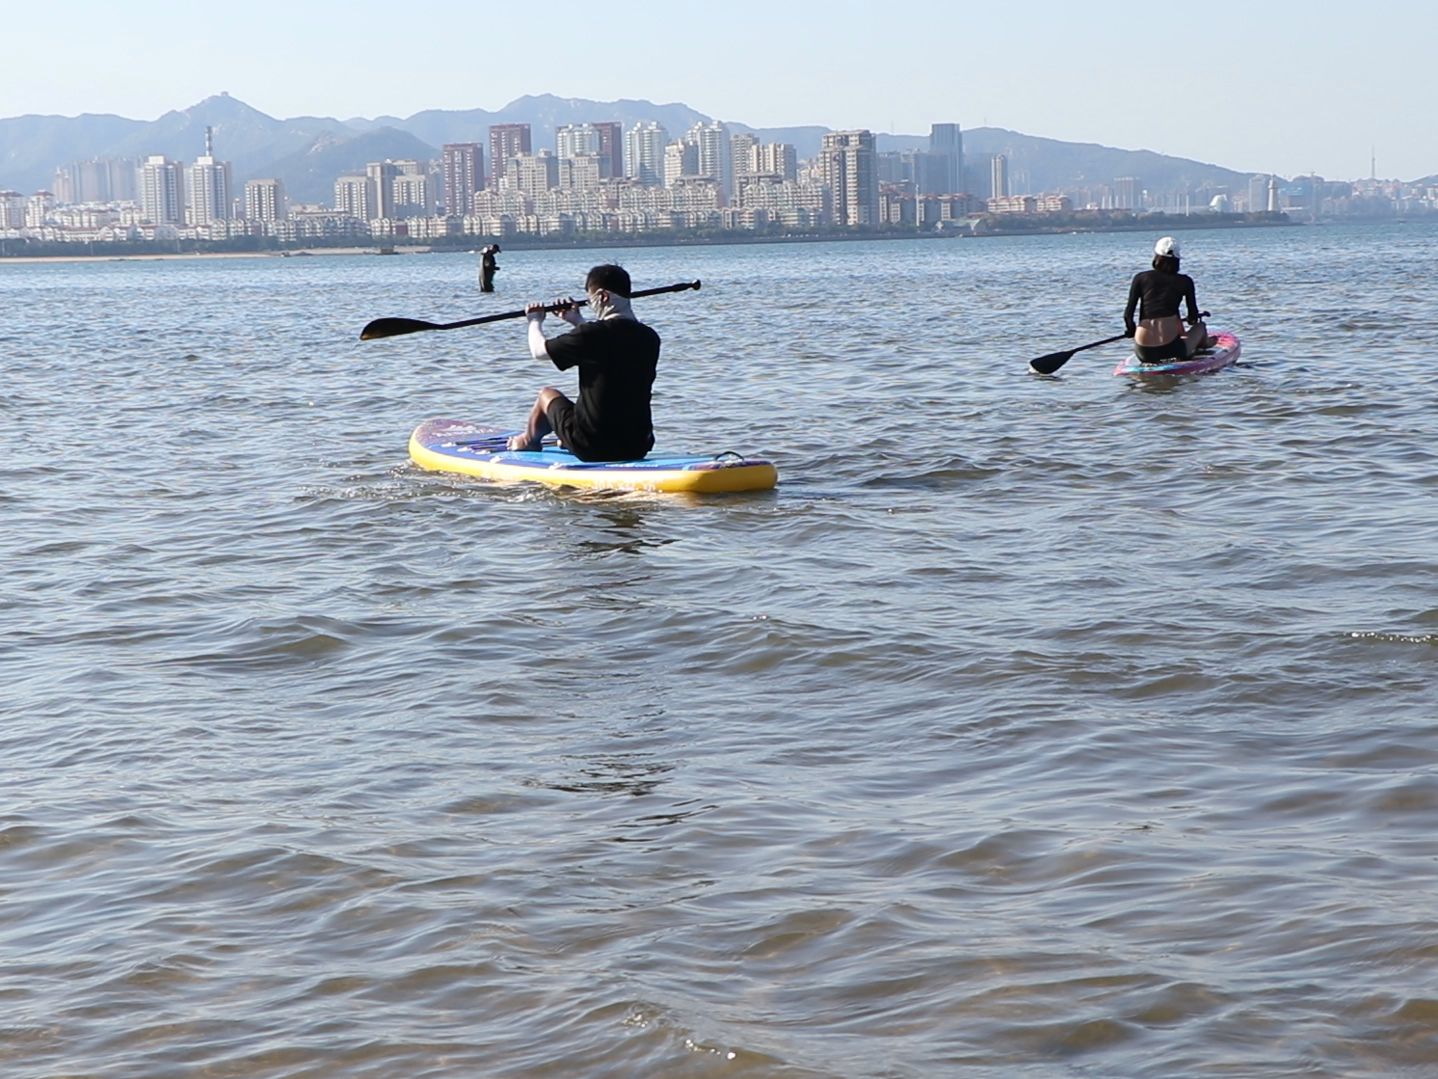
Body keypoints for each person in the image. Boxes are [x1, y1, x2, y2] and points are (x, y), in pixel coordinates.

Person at [507, 264, 660, 461]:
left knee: (546, 394)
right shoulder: (650, 337)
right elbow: (609, 343)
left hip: (592, 446)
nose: (591, 304)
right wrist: (576, 319)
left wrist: (535, 320)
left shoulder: (591, 335)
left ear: (603, 296)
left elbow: (539, 351)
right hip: (638, 444)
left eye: (590, 299)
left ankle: (527, 441)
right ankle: (564, 437)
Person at [1123, 236, 1211, 362]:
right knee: (1201, 327)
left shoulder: (1140, 278)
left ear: (1156, 256)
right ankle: (1206, 344)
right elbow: (1193, 318)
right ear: (1178, 260)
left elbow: (1128, 316)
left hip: (1143, 351)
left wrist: (1131, 331)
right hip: (1172, 349)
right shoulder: (1185, 281)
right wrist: (1192, 320)